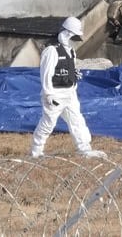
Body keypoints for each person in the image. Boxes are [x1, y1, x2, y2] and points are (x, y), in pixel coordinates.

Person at [29, 16, 105, 159]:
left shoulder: (70, 51)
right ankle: (36, 152)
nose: (73, 39)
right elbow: (46, 74)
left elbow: (69, 68)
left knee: (77, 120)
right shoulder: (52, 50)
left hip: (70, 93)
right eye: (73, 35)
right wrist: (48, 94)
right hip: (55, 94)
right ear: (67, 33)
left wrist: (74, 76)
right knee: (48, 123)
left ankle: (85, 149)